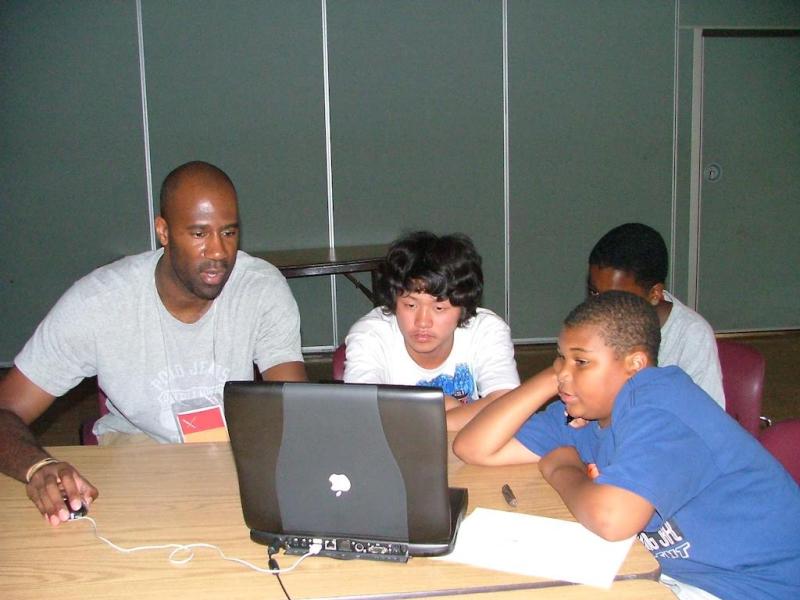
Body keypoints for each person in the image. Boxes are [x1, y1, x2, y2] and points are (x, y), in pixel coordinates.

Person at [0, 160, 307, 526]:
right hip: (136, 461)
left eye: (228, 232)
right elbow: (7, 410)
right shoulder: (99, 303)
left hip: (233, 460)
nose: (218, 253)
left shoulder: (261, 288)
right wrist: (39, 466)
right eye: (198, 234)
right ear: (163, 232)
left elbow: (295, 408)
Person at [453, 291, 800, 599]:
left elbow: (612, 519)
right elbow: (473, 447)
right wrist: (552, 377)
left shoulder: (663, 405)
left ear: (635, 364)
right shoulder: (583, 414)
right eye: (560, 358)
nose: (564, 373)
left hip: (754, 586)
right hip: (679, 576)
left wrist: (562, 467)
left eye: (582, 361)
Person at [343, 231, 519, 431]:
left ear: (464, 307)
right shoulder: (370, 335)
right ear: (393, 302)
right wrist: (451, 408)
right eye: (410, 305)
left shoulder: (487, 330)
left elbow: (509, 406)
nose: (422, 322)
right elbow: (363, 412)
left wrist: (436, 414)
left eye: (439, 308)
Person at [588, 222, 724, 408]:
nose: (601, 308)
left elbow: (708, 420)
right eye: (594, 293)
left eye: (616, 299)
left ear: (654, 294)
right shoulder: (592, 325)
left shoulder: (691, 336)